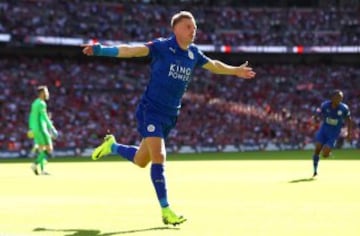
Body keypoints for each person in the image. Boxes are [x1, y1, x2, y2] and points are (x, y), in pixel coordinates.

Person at [82, 11, 256, 226]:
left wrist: (235, 71)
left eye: (195, 27)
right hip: (151, 110)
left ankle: (113, 146)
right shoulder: (162, 47)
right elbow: (133, 50)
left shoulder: (193, 54)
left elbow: (214, 65)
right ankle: (166, 210)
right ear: (176, 29)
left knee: (141, 160)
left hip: (170, 115)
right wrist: (101, 50)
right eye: (188, 27)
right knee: (159, 156)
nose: (193, 31)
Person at [311, 90, 352, 177]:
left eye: (341, 97)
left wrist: (349, 133)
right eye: (338, 97)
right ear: (332, 97)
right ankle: (315, 171)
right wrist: (315, 117)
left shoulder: (344, 108)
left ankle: (327, 153)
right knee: (317, 149)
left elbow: (349, 120)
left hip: (333, 133)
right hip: (323, 130)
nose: (339, 99)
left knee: (325, 155)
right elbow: (318, 113)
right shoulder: (325, 105)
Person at [28, 86, 58, 175]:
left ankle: (43, 170)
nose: (47, 93)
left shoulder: (34, 103)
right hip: (41, 129)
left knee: (41, 150)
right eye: (46, 92)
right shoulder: (42, 103)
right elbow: (45, 117)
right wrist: (52, 128)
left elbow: (31, 116)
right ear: (42, 93)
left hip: (35, 129)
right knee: (49, 149)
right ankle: (35, 164)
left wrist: (31, 128)